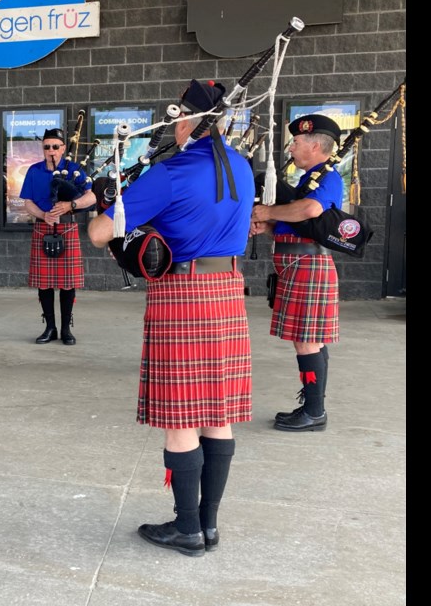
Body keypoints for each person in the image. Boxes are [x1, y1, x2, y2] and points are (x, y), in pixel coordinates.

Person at [88, 79, 254, 557]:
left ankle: (185, 529)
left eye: (176, 114)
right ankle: (209, 525)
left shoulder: (172, 172)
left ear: (186, 119)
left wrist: (111, 204)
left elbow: (101, 233)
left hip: (182, 294)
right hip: (227, 291)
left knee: (181, 415)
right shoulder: (241, 168)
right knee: (218, 414)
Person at [250, 114, 343, 432]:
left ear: (316, 145)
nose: (291, 146)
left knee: (306, 341)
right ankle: (312, 403)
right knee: (309, 340)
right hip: (296, 265)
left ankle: (315, 411)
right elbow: (297, 226)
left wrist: (269, 211)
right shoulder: (309, 179)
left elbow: (310, 210)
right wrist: (268, 225)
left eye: (297, 141)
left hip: (308, 267)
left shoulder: (328, 176)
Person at [20, 128, 96, 345]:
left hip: (67, 228)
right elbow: (28, 202)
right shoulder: (34, 171)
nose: (51, 151)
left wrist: (70, 205)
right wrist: (43, 214)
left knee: (67, 283)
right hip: (43, 228)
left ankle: (65, 329)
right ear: (43, 149)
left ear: (63, 148)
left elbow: (91, 197)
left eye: (55, 146)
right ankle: (50, 327)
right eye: (47, 147)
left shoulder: (75, 169)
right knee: (43, 283)